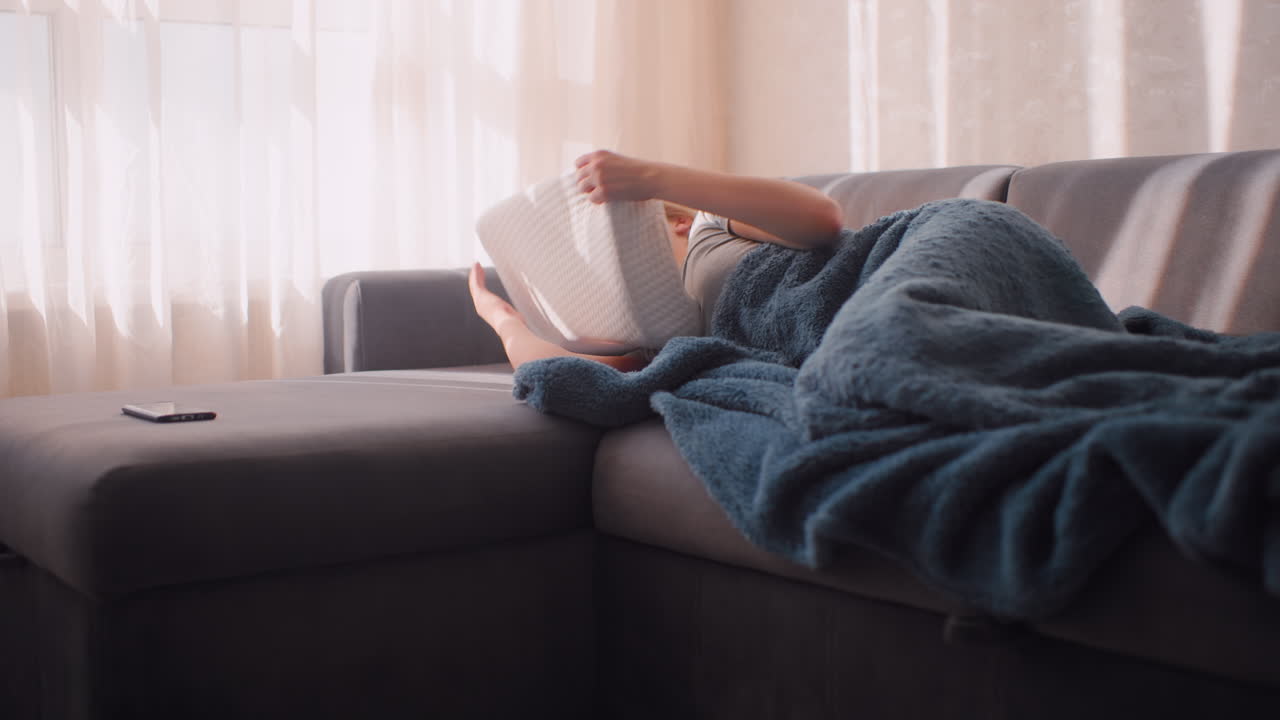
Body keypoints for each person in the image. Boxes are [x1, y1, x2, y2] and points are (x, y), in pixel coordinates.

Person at [468, 150, 845, 371]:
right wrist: (503, 320)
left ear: (679, 222)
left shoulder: (708, 226)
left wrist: (652, 179)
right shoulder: (661, 335)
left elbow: (822, 219)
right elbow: (558, 372)